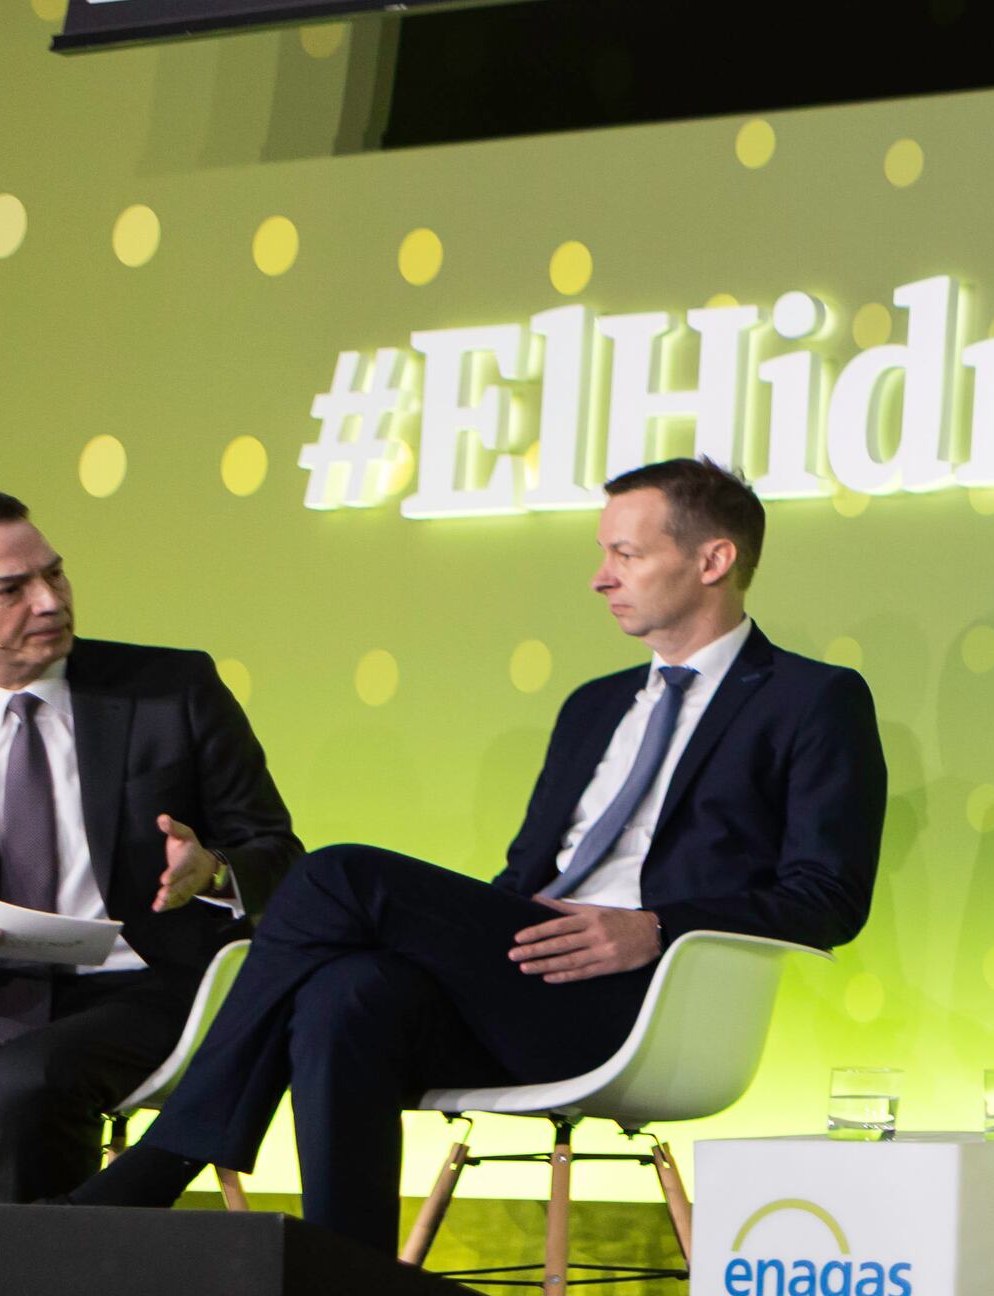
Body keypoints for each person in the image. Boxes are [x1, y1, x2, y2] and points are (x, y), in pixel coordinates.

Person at [76, 458, 880, 1243]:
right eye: (603, 554)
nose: (601, 577)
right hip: (522, 976)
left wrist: (657, 926)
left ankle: (166, 1157)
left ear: (714, 559)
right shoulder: (593, 706)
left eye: (625, 554)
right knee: (345, 995)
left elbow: (826, 898)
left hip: (635, 995)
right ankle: (349, 1292)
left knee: (338, 873)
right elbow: (522, 878)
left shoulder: (811, 699)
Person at [0, 489, 298, 1202]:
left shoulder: (173, 690)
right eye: (11, 589)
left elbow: (278, 853)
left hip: (144, 992)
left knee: (30, 1076)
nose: (49, 601)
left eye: (55, 574)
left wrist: (213, 871)